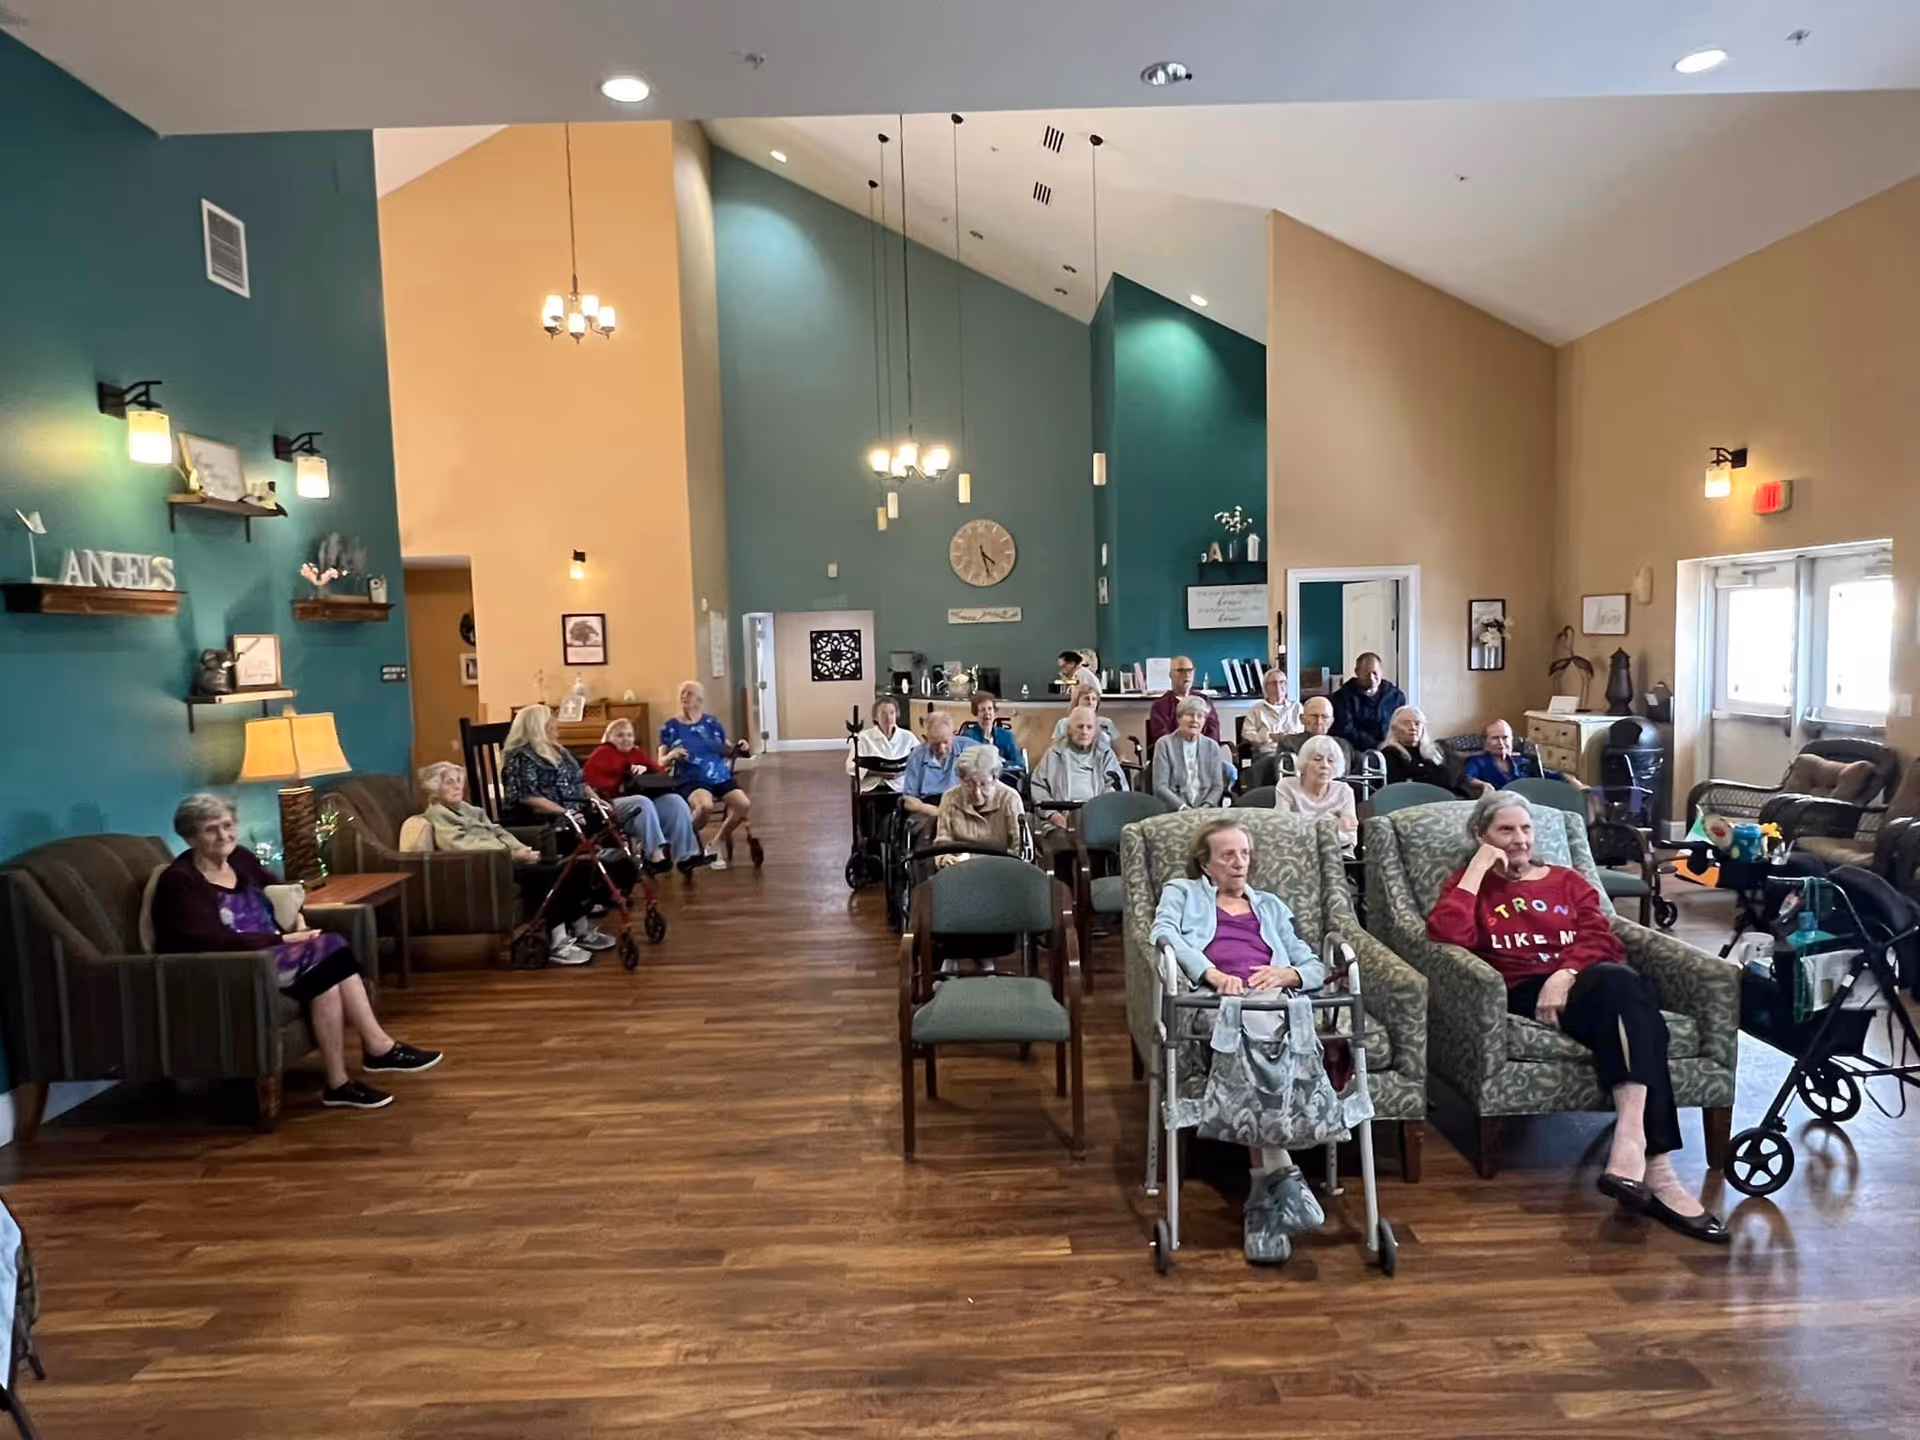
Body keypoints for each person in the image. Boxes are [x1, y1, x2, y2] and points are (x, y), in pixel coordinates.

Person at [1426, 791, 1727, 1243]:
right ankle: (1660, 1174)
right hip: (1523, 991)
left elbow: (1602, 937)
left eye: (1525, 829)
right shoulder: (1473, 886)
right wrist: (1476, 869)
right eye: (1505, 830)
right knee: (1640, 1013)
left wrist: (1565, 973)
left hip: (1586, 982)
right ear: (1480, 835)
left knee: (1624, 991)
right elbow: (1448, 934)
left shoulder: (1567, 881)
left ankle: (1633, 1145)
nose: (1519, 839)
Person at [152, 793, 442, 1110]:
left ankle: (339, 1082)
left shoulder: (241, 858)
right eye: (211, 829)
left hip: (274, 953)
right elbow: (208, 941)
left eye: (227, 825)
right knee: (331, 946)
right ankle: (377, 1048)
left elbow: (276, 891)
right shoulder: (180, 881)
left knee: (327, 978)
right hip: (235, 966)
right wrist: (282, 940)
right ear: (190, 836)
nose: (224, 836)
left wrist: (297, 919)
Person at [1150, 818, 1328, 1263]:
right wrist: (1210, 974)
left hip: (1274, 1002)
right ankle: (1283, 1176)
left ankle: (1265, 1200)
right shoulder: (1183, 892)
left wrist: (1289, 973)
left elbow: (1313, 963)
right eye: (1228, 855)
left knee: (1261, 1028)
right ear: (1205, 864)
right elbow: (1163, 934)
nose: (1239, 862)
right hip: (1217, 1001)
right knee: (1252, 1031)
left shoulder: (1269, 905)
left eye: (1245, 853)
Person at [416, 761, 604, 964]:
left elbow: (499, 831)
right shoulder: (437, 816)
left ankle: (581, 930)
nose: (457, 786)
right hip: (489, 866)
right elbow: (461, 846)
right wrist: (512, 855)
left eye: (459, 781)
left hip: (507, 858)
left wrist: (520, 849)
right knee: (553, 874)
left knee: (574, 866)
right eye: (449, 782)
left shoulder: (469, 809)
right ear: (435, 788)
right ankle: (559, 944)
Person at [500, 704, 639, 948]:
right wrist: (565, 812)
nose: (557, 726)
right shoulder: (521, 756)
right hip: (541, 820)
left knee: (609, 844)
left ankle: (588, 913)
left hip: (573, 813)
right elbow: (526, 796)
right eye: (551, 723)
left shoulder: (558, 751)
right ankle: (563, 931)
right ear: (537, 727)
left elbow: (580, 781)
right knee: (578, 857)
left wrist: (595, 800)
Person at [582, 718, 711, 874]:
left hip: (643, 801)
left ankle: (686, 855)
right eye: (620, 735)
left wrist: (645, 770)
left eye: (629, 735)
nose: (626, 739)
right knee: (642, 802)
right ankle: (654, 856)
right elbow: (585, 782)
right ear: (609, 738)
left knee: (675, 801)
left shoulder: (636, 753)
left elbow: (660, 774)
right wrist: (601, 801)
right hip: (612, 803)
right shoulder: (602, 753)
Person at [660, 680, 764, 870]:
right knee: (704, 806)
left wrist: (740, 746)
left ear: (700, 700)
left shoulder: (712, 723)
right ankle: (684, 840)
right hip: (691, 777)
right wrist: (672, 755)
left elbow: (726, 748)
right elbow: (660, 762)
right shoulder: (670, 727)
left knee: (743, 804)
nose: (684, 697)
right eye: (682, 693)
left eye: (689, 693)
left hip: (720, 776)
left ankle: (715, 844)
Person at [1031, 705, 1127, 878]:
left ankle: (1094, 897)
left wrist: (1097, 816)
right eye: (1079, 726)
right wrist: (1054, 815)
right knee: (1062, 847)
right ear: (1069, 729)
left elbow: (1116, 788)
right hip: (1061, 819)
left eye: (1089, 727)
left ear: (1095, 730)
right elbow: (1038, 787)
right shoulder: (1053, 754)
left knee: (1100, 847)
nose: (1084, 731)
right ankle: (1065, 897)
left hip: (1097, 821)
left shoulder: (1105, 754)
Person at [934, 743, 1025, 866]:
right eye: (969, 784)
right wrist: (944, 858)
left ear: (995, 779)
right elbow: (942, 842)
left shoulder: (1010, 799)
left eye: (983, 784)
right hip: (959, 870)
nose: (977, 792)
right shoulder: (950, 798)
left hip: (1001, 869)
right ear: (960, 780)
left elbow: (1020, 847)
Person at [901, 711, 975, 847]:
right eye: (935, 744)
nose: (941, 749)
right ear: (926, 739)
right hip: (928, 808)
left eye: (945, 742)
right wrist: (937, 812)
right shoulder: (916, 756)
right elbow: (909, 801)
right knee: (931, 829)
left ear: (954, 734)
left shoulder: (970, 748)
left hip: (962, 804)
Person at [1275, 733, 1359, 852]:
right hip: (1295, 854)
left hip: (1335, 855)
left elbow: (1350, 838)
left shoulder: (1344, 791)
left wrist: (1304, 827)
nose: (1324, 765)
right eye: (1317, 759)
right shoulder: (1287, 787)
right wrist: (1332, 826)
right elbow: (1283, 830)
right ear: (1304, 763)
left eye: (1330, 761)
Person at [1152, 696, 1235, 811]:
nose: (1195, 720)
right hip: (1174, 811)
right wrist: (1183, 808)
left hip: (1206, 810)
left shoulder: (1212, 746)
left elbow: (1217, 786)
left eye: (1200, 716)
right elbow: (1160, 787)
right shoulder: (1164, 744)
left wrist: (1206, 806)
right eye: (1190, 715)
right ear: (1179, 718)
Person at [1459, 718, 1572, 797]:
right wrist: (1484, 785)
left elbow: (1549, 774)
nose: (1501, 743)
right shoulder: (1478, 761)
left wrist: (1573, 781)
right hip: (1498, 806)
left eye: (1505, 738)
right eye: (1495, 738)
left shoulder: (1523, 761)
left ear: (1511, 740)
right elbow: (1466, 778)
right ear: (1485, 741)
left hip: (1530, 802)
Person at [1330, 652, 1407, 752]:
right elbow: (1346, 730)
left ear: (1381, 672)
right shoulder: (1341, 697)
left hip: (1391, 748)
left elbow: (1401, 724)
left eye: (1375, 673)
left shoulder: (1396, 696)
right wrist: (1378, 745)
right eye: (1366, 673)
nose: (1371, 678)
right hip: (1356, 750)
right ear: (1357, 672)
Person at [1240, 668, 1303, 789]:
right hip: (1266, 753)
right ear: (1265, 687)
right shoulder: (1256, 710)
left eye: (1282, 682)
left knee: (1293, 762)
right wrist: (1269, 737)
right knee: (1273, 762)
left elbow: (1303, 732)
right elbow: (1246, 733)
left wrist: (1289, 737)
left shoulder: (1297, 708)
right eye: (1273, 683)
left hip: (1293, 753)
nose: (1279, 686)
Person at [1146, 656, 1219, 750]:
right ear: (1170, 674)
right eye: (1181, 670)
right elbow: (1162, 736)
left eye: (1190, 670)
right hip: (1173, 755)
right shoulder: (1160, 705)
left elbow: (1213, 730)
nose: (1187, 674)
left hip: (1203, 752)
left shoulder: (1204, 701)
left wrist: (1203, 749)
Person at [1380, 705, 1454, 791]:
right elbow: (1398, 787)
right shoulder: (1389, 753)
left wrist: (1415, 779)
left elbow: (1446, 782)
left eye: (1417, 723)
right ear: (1394, 729)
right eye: (1406, 723)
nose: (1413, 728)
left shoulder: (1432, 752)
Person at [1278, 696, 1353, 773]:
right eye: (1314, 716)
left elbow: (1343, 776)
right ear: (1302, 719)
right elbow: (1288, 776)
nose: (1319, 722)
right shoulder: (1288, 743)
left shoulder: (1342, 745)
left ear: (1331, 721)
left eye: (1324, 717)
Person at [958, 690, 1024, 774]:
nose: (987, 713)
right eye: (982, 710)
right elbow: (965, 764)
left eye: (990, 709)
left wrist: (1001, 764)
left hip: (1005, 778)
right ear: (976, 713)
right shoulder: (968, 736)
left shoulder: (1007, 736)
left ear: (994, 712)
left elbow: (1018, 762)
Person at [1051, 682, 1118, 745]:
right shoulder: (1063, 723)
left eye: (1094, 699)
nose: (1090, 702)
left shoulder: (1106, 722)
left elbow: (1118, 751)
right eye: (1086, 698)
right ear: (1077, 701)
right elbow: (1054, 749)